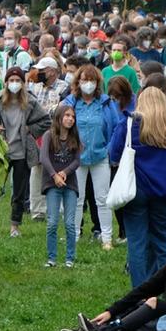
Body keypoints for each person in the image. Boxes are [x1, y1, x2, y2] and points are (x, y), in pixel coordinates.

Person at [61, 223, 166, 331]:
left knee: (153, 303)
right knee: (140, 302)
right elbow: (144, 289)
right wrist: (110, 311)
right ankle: (95, 327)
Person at [111, 87, 166, 287]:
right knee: (163, 241)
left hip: (137, 188)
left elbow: (113, 153)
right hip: (165, 190)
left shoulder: (130, 123)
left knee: (137, 243)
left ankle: (141, 295)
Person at [63, 65, 122, 250]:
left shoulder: (106, 103)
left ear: (97, 83)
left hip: (100, 157)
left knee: (102, 199)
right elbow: (61, 127)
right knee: (76, 198)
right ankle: (74, 235)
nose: (88, 84)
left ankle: (107, 238)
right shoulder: (70, 102)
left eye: (92, 80)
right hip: (76, 158)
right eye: (84, 80)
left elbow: (116, 128)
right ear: (77, 82)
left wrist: (108, 149)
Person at [0, 67, 50, 236]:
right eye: (11, 80)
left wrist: (31, 129)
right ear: (6, 82)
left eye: (18, 81)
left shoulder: (30, 102)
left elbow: (46, 120)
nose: (14, 84)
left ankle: (15, 225)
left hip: (22, 152)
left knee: (19, 192)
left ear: (23, 83)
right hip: (3, 152)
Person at [41, 105, 83, 268]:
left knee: (70, 223)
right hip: (52, 184)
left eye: (72, 116)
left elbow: (77, 160)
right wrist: (54, 175)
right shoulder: (48, 136)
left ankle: (70, 258)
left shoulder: (75, 138)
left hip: (70, 185)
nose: (70, 119)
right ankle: (52, 258)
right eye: (67, 115)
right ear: (59, 117)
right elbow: (44, 158)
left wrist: (65, 172)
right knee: (52, 221)